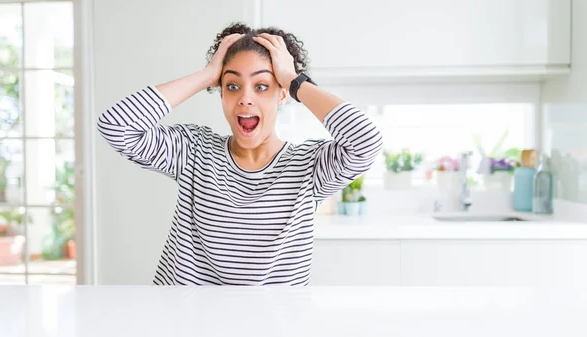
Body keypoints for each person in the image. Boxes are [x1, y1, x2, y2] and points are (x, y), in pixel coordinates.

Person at [97, 22, 383, 285]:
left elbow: (366, 142)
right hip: (184, 321)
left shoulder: (309, 167)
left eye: (262, 86)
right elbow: (116, 125)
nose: (245, 97)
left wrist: (294, 81)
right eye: (232, 86)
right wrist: (207, 75)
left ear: (282, 94)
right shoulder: (194, 150)